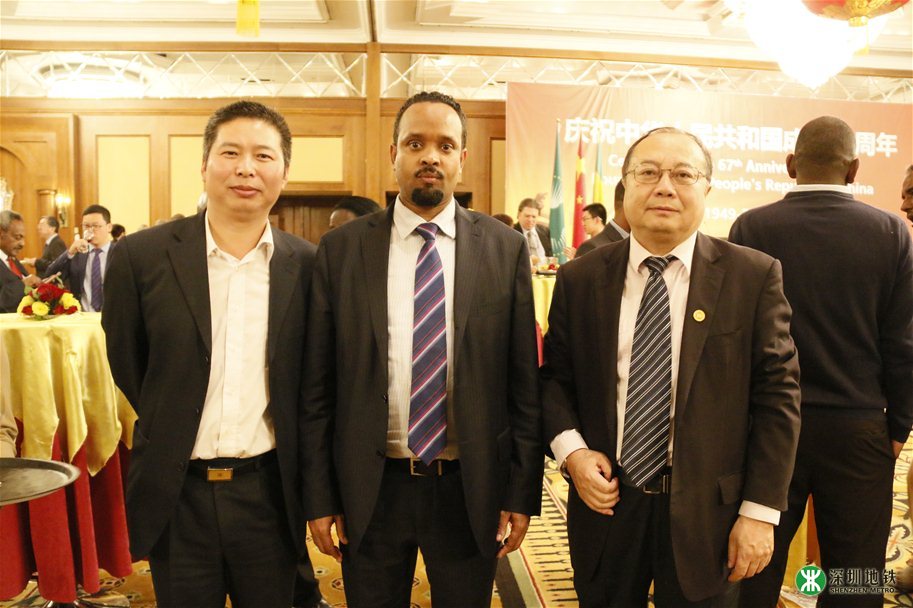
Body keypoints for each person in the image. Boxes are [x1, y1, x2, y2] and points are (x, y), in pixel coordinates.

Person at [541, 126, 801, 607]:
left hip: (712, 514)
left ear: (707, 189)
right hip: (608, 502)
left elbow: (777, 401)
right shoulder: (581, 278)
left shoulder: (752, 276)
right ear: (625, 186)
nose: (664, 187)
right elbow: (556, 380)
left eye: (683, 174)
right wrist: (572, 454)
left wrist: (760, 512)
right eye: (648, 172)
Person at [302, 91, 542, 607]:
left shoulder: (504, 249)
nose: (430, 156)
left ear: (462, 159)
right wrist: (320, 495)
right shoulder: (342, 250)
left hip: (468, 486)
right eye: (415, 144)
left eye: (445, 145)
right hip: (370, 487)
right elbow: (317, 386)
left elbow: (523, 383)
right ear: (394, 154)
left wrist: (521, 491)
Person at [102, 101, 325, 608]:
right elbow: (130, 363)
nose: (246, 168)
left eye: (263, 156)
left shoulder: (310, 266)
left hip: (269, 493)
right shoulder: (140, 257)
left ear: (284, 173)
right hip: (177, 492)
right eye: (230, 152)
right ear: (204, 165)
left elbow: (314, 382)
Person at [730, 116, 913, 607]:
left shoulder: (751, 226)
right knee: (857, 575)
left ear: (791, 164)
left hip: (767, 428)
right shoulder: (892, 232)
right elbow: (902, 343)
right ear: (854, 169)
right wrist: (898, 425)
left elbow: (736, 338)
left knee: (752, 567)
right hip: (860, 428)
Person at [46, 204, 114, 312]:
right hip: (82, 316)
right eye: (86, 226)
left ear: (109, 227)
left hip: (112, 316)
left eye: (96, 226)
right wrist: (69, 253)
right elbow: (49, 275)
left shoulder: (119, 253)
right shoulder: (77, 253)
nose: (91, 230)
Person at [1, 210, 41, 313]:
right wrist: (24, 284)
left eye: (23, 238)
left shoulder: (13, 260)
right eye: (17, 237)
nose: (22, 243)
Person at [576, 181, 630, 257]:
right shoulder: (591, 247)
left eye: (585, 219)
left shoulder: (635, 243)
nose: (583, 223)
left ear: (597, 220)